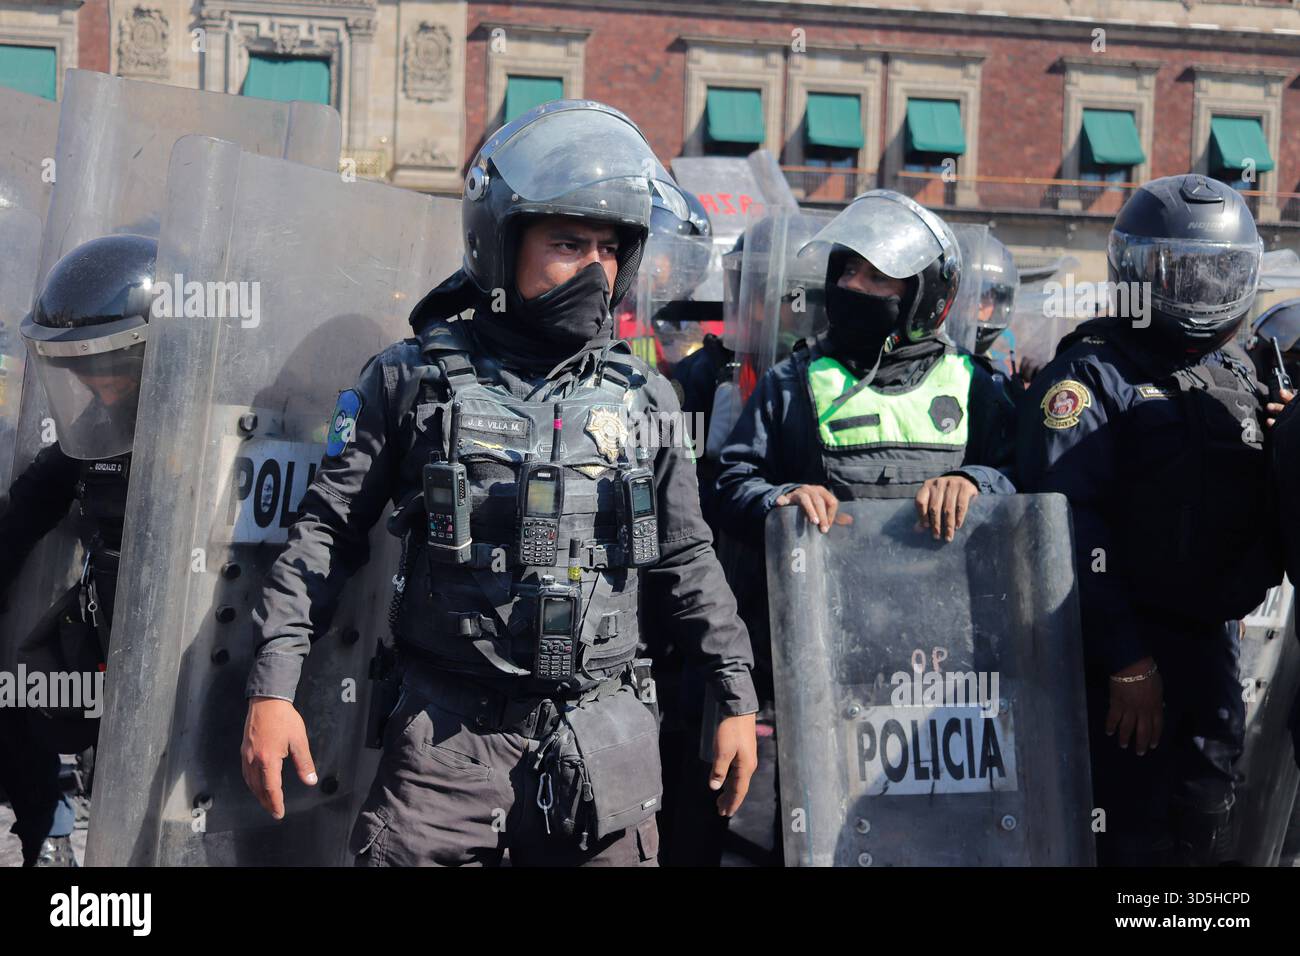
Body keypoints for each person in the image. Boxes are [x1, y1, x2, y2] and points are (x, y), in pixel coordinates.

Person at [239, 100, 758, 867]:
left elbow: (686, 557)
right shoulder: (410, 379)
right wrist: (274, 686)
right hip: (446, 749)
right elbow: (326, 534)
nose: (594, 269)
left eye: (611, 248)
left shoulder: (648, 397)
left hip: (603, 742)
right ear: (501, 241)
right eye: (568, 242)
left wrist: (735, 695)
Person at [1017, 173, 1285, 865]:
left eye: (1216, 275)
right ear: (1138, 270)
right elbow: (1068, 526)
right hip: (1120, 651)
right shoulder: (1087, 377)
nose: (1199, 292)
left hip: (1213, 644)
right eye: (1182, 274)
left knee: (1207, 820)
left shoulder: (1242, 373)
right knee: (1126, 828)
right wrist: (1125, 660)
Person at [0, 233, 156, 865]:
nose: (97, 380)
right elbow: (29, 508)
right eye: (84, 366)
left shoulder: (207, 428)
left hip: (188, 660)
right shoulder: (91, 432)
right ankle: (47, 832)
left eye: (112, 363)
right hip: (103, 649)